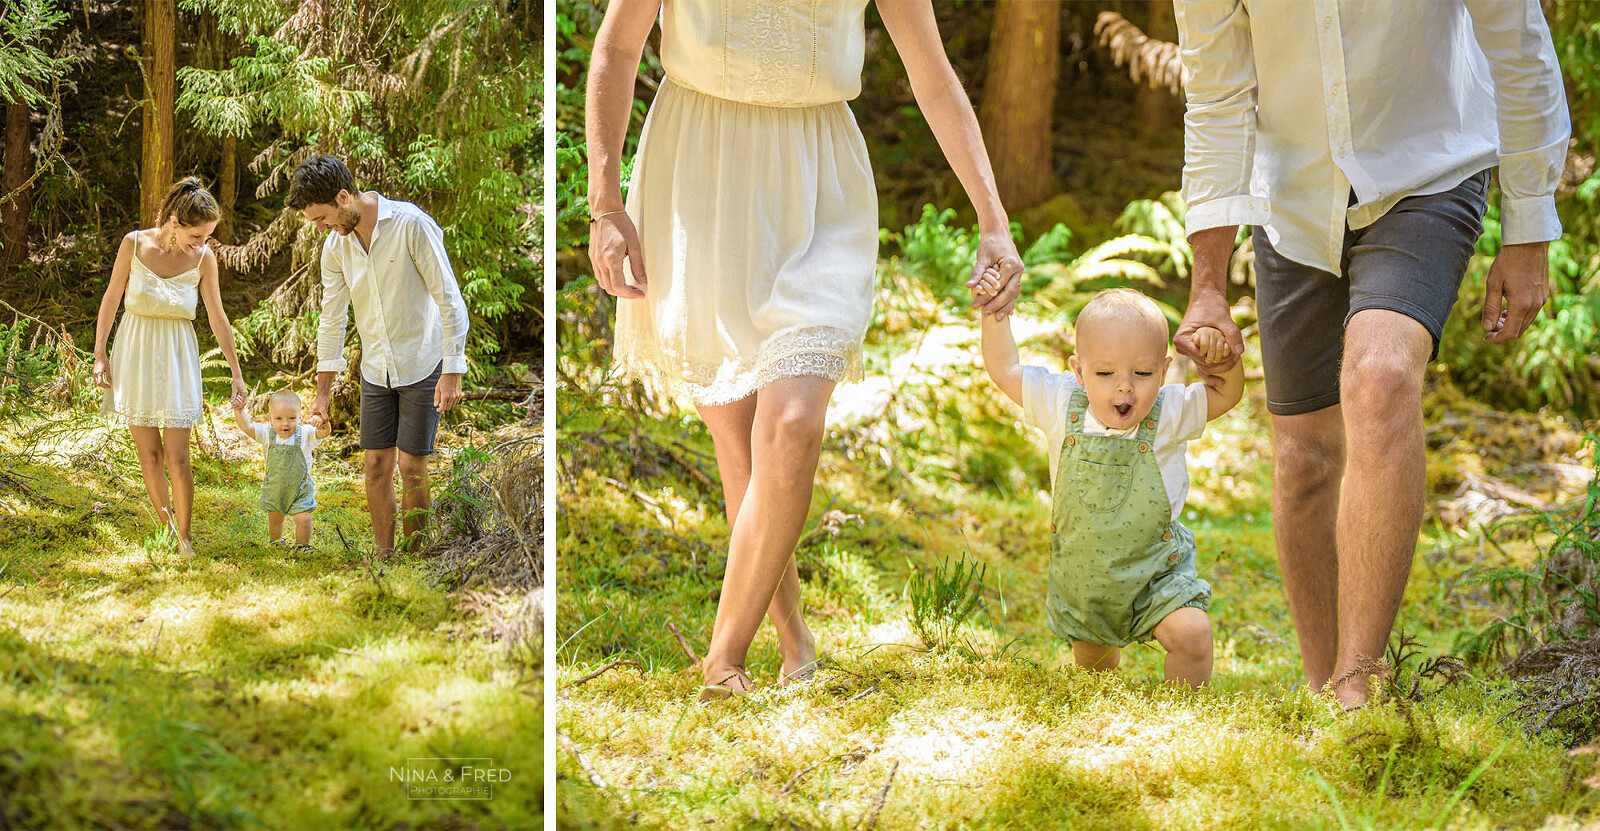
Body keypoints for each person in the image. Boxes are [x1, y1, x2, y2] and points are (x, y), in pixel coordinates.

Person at [587, 0, 1026, 700]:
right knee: (739, 440)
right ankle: (797, 646)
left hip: (819, 183)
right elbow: (616, 48)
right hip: (701, 174)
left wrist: (993, 220)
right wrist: (605, 205)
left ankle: (722, 661)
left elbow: (934, 77)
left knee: (790, 424)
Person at [1171, 0, 1569, 707]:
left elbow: (1518, 44)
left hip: (1429, 168)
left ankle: (1361, 686)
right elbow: (1218, 96)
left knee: (1380, 376)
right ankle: (1322, 688)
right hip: (1292, 198)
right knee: (1302, 461)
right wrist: (1206, 285)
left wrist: (1529, 227)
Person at [977, 282, 1244, 687]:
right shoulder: (1061, 402)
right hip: (1088, 581)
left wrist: (1221, 358)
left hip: (1157, 575)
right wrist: (994, 313)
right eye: (1105, 373)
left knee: (1192, 634)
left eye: (1142, 373)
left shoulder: (1169, 410)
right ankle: (1099, 716)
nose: (1125, 387)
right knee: (1095, 671)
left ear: (1164, 369)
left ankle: (1182, 720)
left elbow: (1227, 393)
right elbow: (1005, 370)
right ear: (1079, 370)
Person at [287, 154, 470, 558]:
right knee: (375, 467)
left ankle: (416, 557)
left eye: (322, 218)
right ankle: (385, 556)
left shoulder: (411, 225)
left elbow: (449, 299)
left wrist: (452, 369)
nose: (321, 228)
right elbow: (332, 320)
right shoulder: (335, 248)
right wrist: (322, 395)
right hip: (376, 370)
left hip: (423, 363)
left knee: (412, 468)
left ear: (343, 197)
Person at [93, 177, 249, 558]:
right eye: (198, 236)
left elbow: (217, 315)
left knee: (178, 456)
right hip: (135, 350)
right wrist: (100, 354)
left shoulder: (203, 259)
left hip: (178, 354)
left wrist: (236, 371)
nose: (203, 244)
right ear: (175, 222)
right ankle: (165, 528)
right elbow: (111, 299)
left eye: (208, 237)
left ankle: (185, 537)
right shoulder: (133, 244)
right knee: (150, 455)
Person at [232, 390, 331, 549]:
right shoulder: (266, 433)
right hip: (276, 487)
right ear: (270, 418)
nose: (285, 424)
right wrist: (239, 410)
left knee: (304, 518)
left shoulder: (305, 433)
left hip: (300, 488)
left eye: (292, 418)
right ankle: (276, 541)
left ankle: (302, 546)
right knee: (275, 519)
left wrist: (324, 424)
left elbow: (323, 434)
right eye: (279, 418)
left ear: (299, 417)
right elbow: (247, 427)